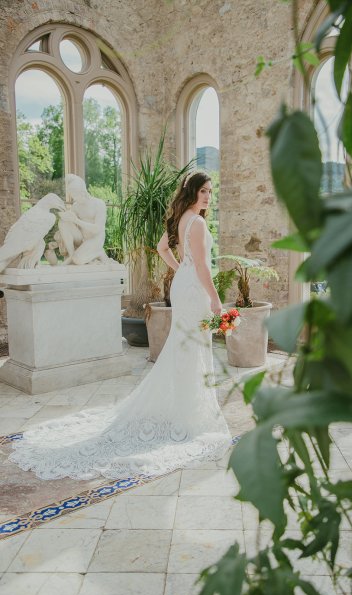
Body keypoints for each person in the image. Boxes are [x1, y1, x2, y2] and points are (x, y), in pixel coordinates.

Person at [8, 171, 231, 481]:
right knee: (191, 346)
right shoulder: (199, 221)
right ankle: (189, 413)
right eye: (203, 191)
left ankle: (183, 407)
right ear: (191, 192)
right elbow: (204, 266)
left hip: (184, 287)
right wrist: (217, 301)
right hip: (193, 290)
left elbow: (163, 248)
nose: (208, 196)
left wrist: (182, 271)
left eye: (210, 191)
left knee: (185, 346)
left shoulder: (183, 217)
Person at [56, 174, 110, 265]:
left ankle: (99, 252)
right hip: (82, 238)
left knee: (78, 260)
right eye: (72, 195)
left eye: (74, 194)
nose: (73, 197)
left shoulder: (98, 204)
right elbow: (70, 225)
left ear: (82, 191)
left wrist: (76, 220)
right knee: (63, 222)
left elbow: (98, 229)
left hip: (95, 239)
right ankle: (71, 255)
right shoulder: (76, 206)